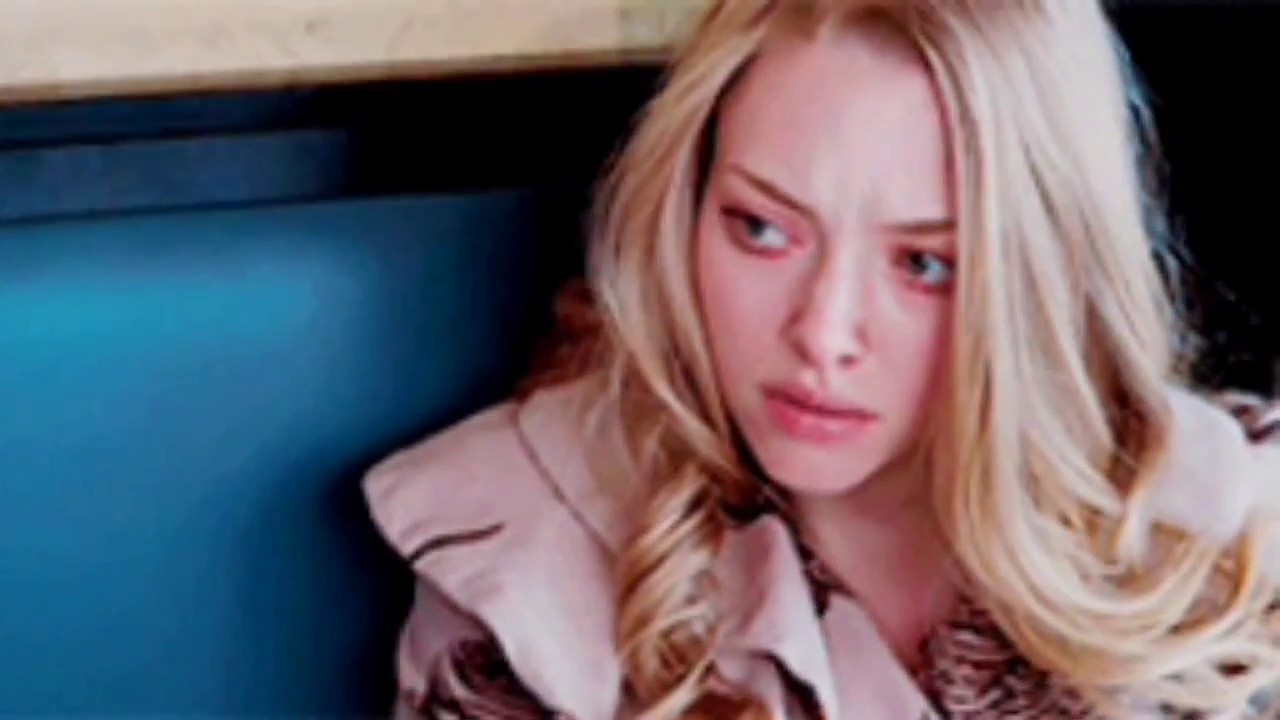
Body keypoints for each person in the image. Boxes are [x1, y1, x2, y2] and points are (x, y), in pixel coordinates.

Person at [363, 1, 1280, 717]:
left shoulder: (1241, 545)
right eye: (763, 229)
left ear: (1043, 279)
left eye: (925, 265)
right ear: (684, 207)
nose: (823, 334)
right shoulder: (525, 559)